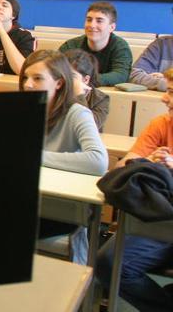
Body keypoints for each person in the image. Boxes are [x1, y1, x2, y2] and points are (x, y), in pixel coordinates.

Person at [95, 67, 173, 312]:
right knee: (109, 263)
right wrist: (146, 161)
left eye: (171, 92)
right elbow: (120, 168)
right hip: (156, 218)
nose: (163, 97)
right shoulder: (162, 124)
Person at [20, 50, 107, 265]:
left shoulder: (76, 113)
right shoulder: (23, 109)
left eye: (38, 78)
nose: (28, 85)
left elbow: (98, 161)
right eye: (25, 78)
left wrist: (37, 156)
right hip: (26, 199)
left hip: (61, 210)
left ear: (59, 83)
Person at [59, 1, 132, 86]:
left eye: (99, 21)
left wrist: (85, 80)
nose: (92, 25)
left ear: (112, 27)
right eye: (89, 20)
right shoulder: (71, 45)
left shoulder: (121, 47)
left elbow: (120, 76)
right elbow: (55, 69)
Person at [63, 48, 110, 131]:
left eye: (72, 76)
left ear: (85, 80)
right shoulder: (55, 92)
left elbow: (88, 127)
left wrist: (79, 96)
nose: (65, 80)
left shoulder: (100, 99)